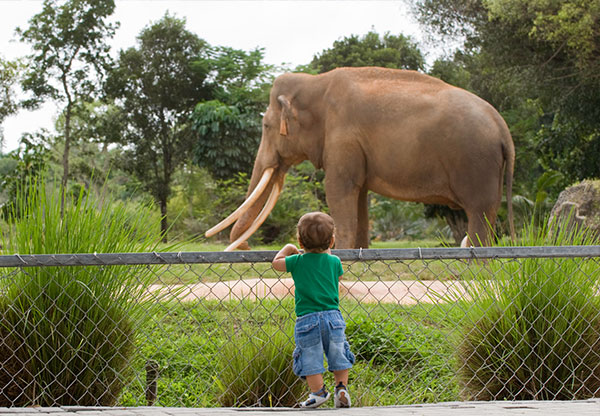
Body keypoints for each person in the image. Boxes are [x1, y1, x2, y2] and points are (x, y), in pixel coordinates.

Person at [272, 212, 355, 408]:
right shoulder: (334, 262)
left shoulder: (297, 261)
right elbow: (339, 277)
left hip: (307, 318)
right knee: (338, 353)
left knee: (310, 355)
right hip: (333, 317)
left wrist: (288, 248)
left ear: (300, 242)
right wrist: (327, 252)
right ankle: (341, 388)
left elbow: (276, 263)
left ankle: (318, 393)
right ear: (332, 241)